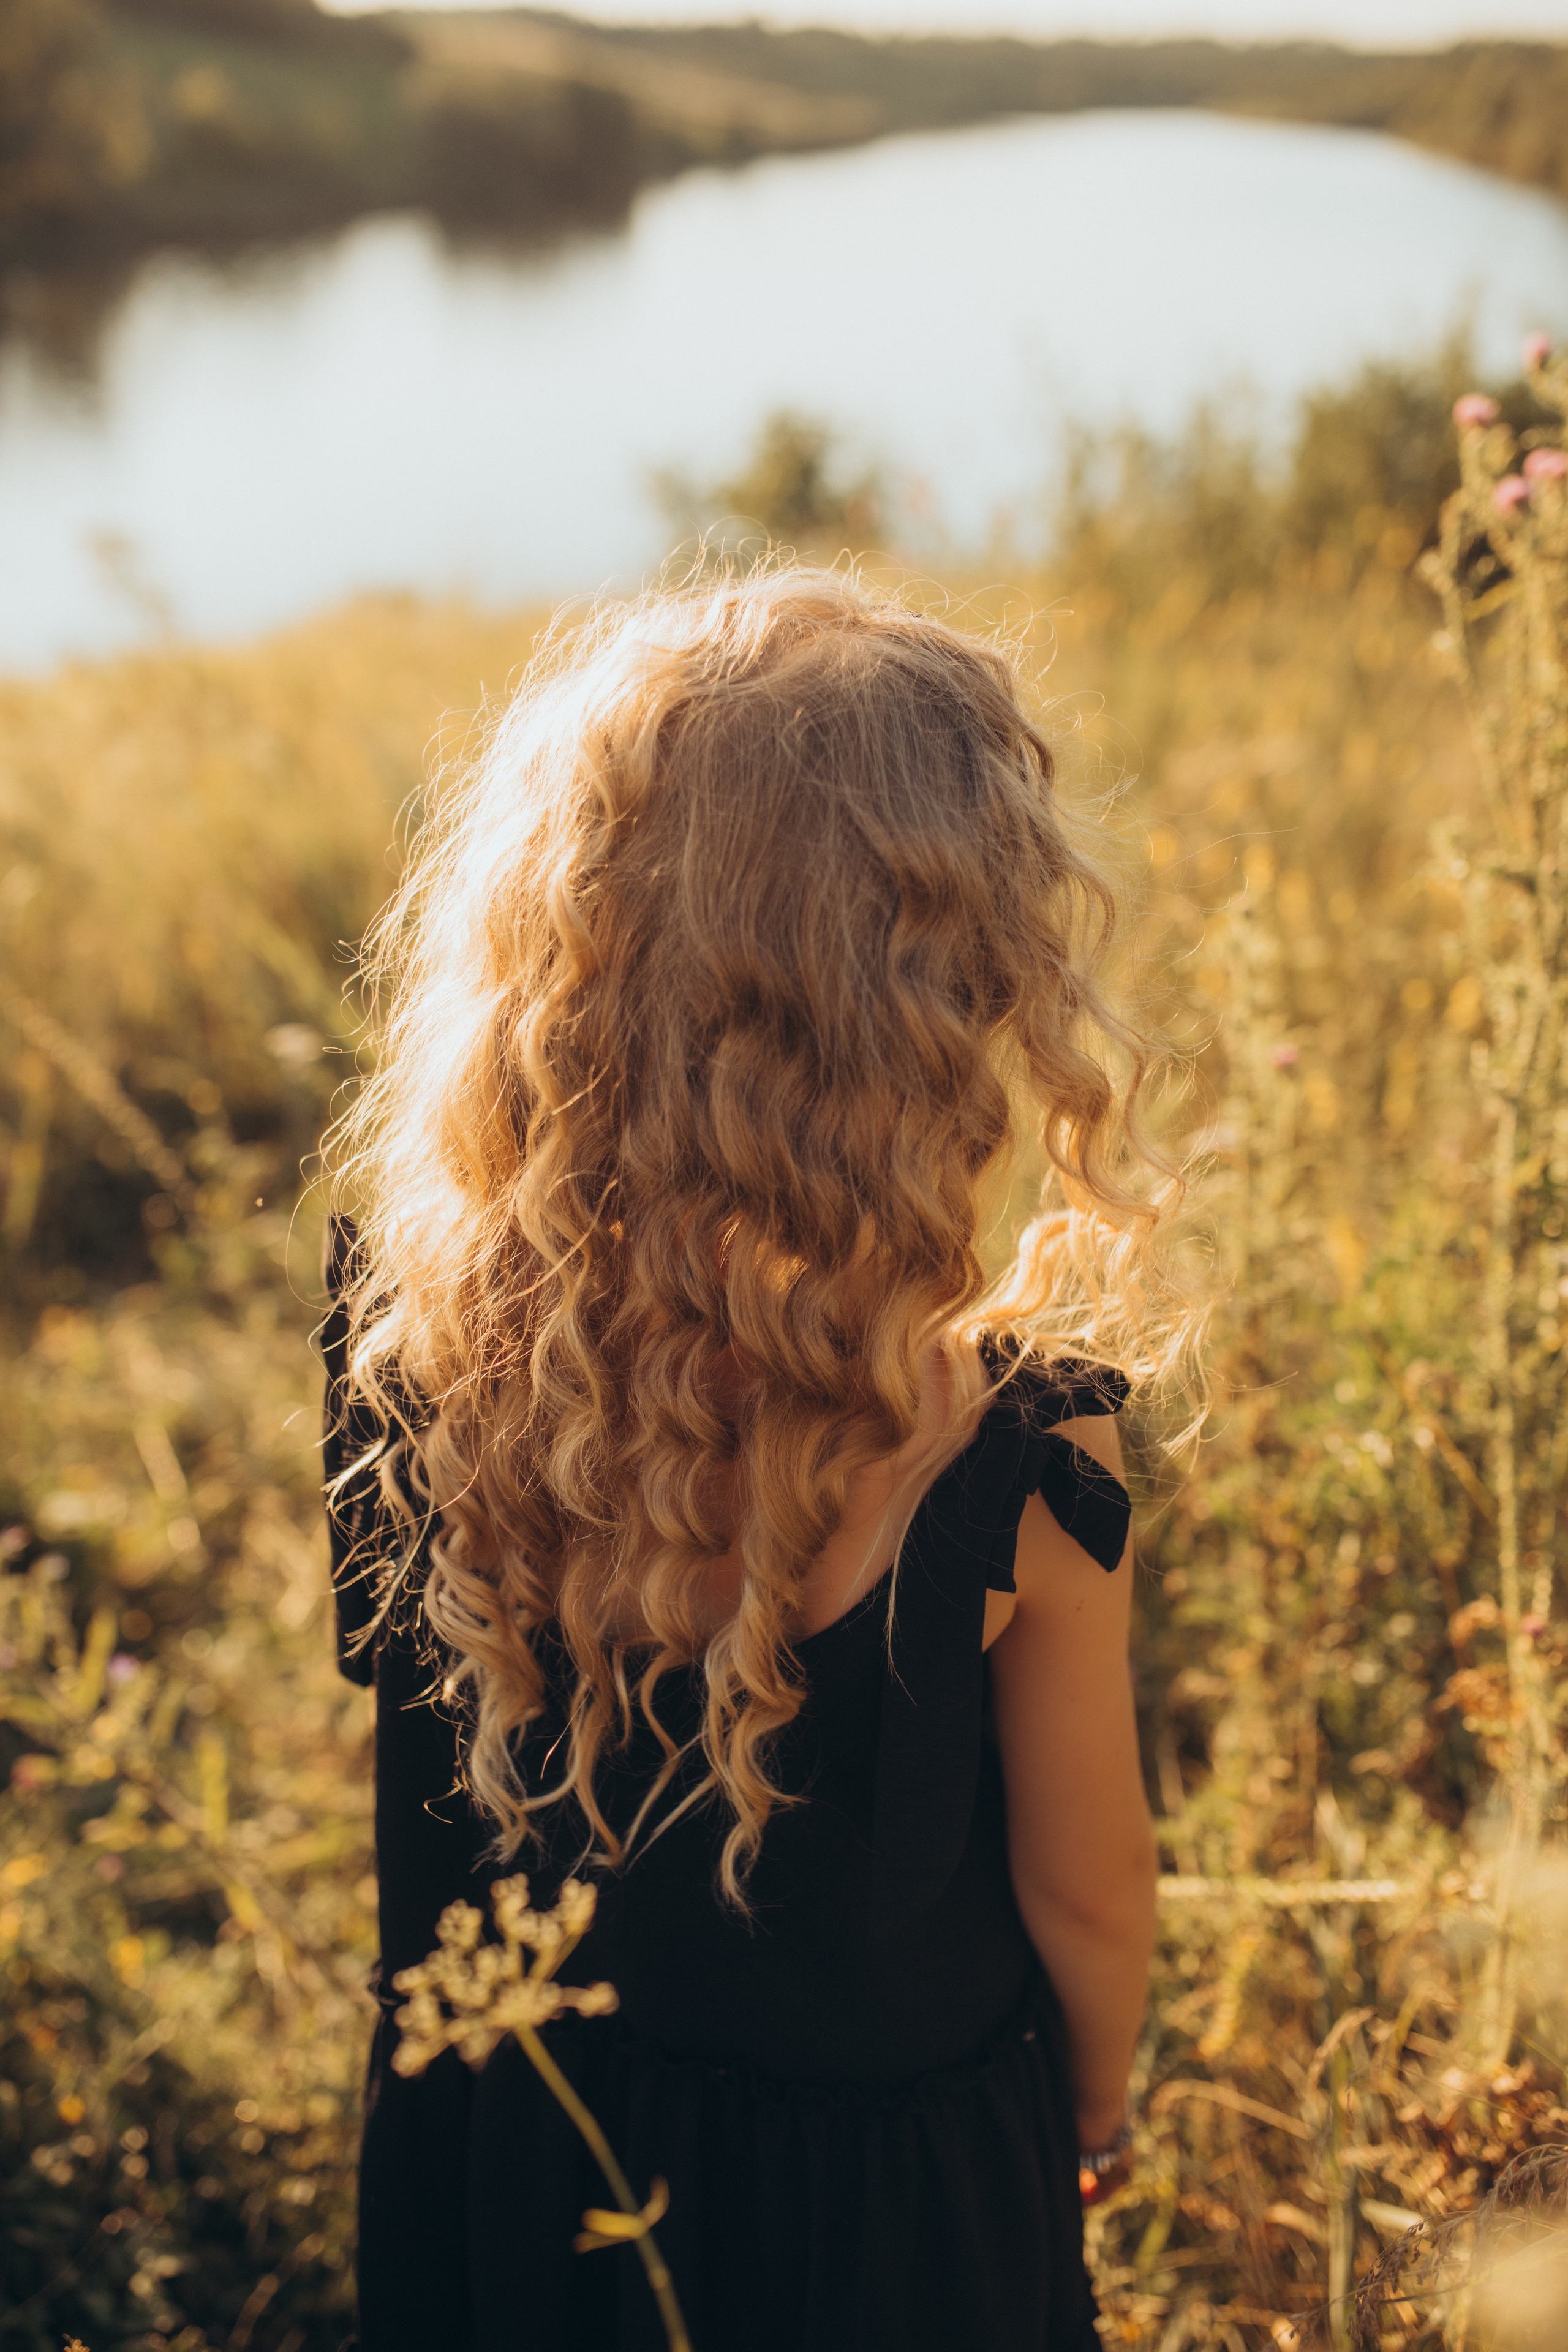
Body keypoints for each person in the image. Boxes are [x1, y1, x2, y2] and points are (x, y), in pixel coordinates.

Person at [321, 567, 1186, 2352]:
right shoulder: (1010, 1453)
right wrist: (1091, 2122)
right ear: (951, 1005)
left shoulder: (410, 1349)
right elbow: (1092, 1893)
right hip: (891, 2231)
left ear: (555, 964)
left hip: (517, 2161)